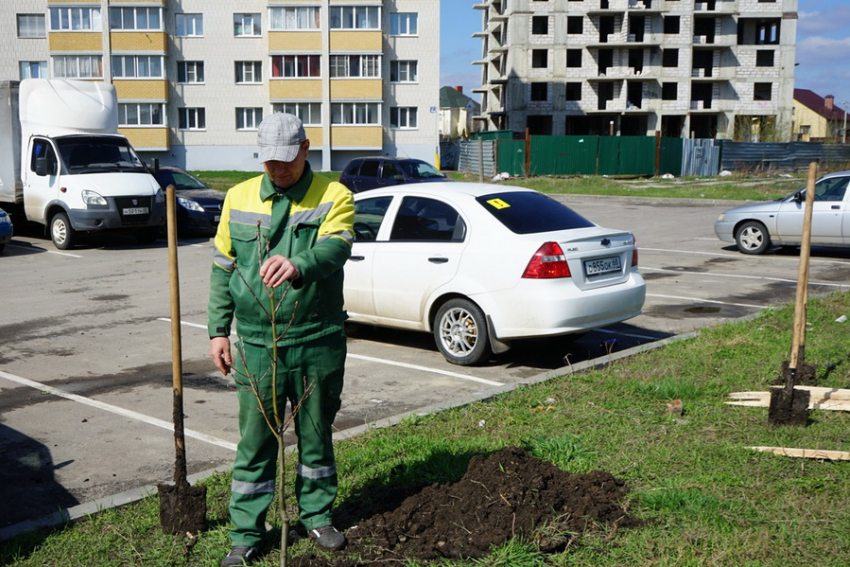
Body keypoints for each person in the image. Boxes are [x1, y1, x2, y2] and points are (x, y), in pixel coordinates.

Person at [208, 113, 354, 566]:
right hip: (256, 344)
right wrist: (218, 330)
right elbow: (223, 267)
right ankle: (247, 533)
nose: (279, 170)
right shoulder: (238, 197)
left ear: (306, 149)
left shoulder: (334, 195)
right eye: (270, 162)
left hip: (317, 338)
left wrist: (299, 264)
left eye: (287, 160)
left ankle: (317, 515)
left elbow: (337, 247)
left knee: (315, 434)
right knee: (255, 441)